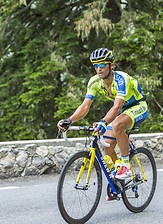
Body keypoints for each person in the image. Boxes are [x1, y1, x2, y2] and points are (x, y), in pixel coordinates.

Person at [57, 48, 148, 180]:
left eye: (102, 65)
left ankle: (126, 167)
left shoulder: (122, 79)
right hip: (122, 111)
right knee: (107, 144)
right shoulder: (94, 82)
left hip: (138, 106)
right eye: (95, 65)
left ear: (111, 65)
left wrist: (104, 122)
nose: (98, 69)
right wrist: (69, 120)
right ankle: (118, 181)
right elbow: (85, 106)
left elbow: (117, 107)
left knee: (117, 125)